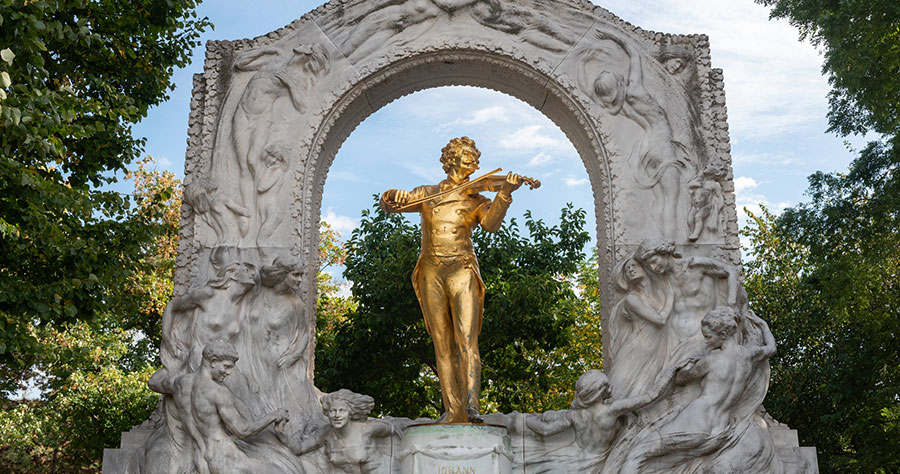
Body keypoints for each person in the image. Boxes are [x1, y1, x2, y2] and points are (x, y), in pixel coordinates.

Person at [379, 136, 525, 423]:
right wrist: (389, 196)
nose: (475, 161)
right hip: (431, 270)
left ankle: (471, 406)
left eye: (474, 156)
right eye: (468, 156)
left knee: (467, 339)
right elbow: (393, 206)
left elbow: (491, 225)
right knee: (441, 342)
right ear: (451, 159)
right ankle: (452, 410)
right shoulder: (427, 193)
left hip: (462, 267)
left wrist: (505, 193)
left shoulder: (478, 198)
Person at [525, 366, 687, 458]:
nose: (611, 388)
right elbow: (650, 396)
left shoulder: (574, 415)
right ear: (600, 391)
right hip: (599, 460)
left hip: (576, 458)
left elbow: (545, 430)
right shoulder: (612, 410)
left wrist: (525, 420)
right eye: (607, 386)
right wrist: (671, 371)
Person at [190, 340, 289, 474]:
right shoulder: (218, 392)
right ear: (213, 362)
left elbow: (153, 382)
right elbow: (243, 430)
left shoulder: (182, 383)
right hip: (225, 457)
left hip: (202, 456)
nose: (229, 372)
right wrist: (274, 415)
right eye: (226, 366)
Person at [275, 389, 393, 474]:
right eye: (333, 411)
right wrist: (281, 433)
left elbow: (396, 430)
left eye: (342, 411)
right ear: (327, 413)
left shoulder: (368, 428)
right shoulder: (326, 433)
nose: (337, 415)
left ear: (350, 412)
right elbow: (299, 448)